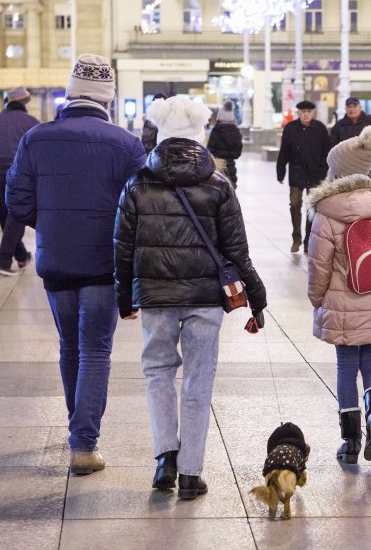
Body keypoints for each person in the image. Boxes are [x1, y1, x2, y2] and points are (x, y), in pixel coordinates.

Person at [114, 95, 267, 499]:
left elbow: (123, 246)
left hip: (155, 295)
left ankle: (165, 456)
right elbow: (237, 248)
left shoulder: (137, 183)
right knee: (199, 380)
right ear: (201, 134)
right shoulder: (218, 184)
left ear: (160, 134)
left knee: (158, 372)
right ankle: (191, 472)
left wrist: (123, 297)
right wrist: (255, 291)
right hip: (204, 299)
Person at [7, 54, 146, 475]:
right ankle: (84, 444)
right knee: (95, 350)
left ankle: (76, 428)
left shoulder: (36, 138)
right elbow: (141, 209)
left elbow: (16, 202)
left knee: (70, 347)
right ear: (108, 97)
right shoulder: (126, 144)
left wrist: (50, 221)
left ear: (69, 93)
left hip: (56, 261)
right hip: (104, 263)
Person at [306, 124, 371, 465]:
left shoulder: (327, 212)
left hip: (342, 302)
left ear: (337, 171)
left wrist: (317, 299)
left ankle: (351, 441)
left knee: (346, 366)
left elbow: (319, 266)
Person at [0, 86, 40, 276]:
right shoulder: (32, 123)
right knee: (17, 215)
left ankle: (22, 256)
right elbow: (39, 151)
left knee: (6, 215)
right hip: (21, 171)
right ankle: (3, 260)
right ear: (23, 103)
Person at [276, 100, 331, 253]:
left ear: (313, 112)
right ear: (298, 113)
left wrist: (324, 170)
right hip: (296, 172)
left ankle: (308, 240)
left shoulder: (320, 128)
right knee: (294, 204)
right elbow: (284, 152)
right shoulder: (290, 128)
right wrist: (280, 171)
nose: (306, 114)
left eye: (309, 111)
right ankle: (296, 238)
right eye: (303, 111)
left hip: (315, 174)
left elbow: (327, 151)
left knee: (311, 208)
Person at [330, 97, 371, 175]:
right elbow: (332, 144)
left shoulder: (370, 120)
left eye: (354, 106)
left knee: (369, 186)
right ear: (345, 109)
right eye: (349, 107)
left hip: (368, 166)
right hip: (347, 167)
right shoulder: (339, 125)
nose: (352, 109)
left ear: (360, 107)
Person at [207, 100, 243, 189]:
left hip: (218, 167)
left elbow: (210, 150)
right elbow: (238, 153)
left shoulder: (216, 130)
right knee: (231, 190)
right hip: (231, 167)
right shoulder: (236, 131)